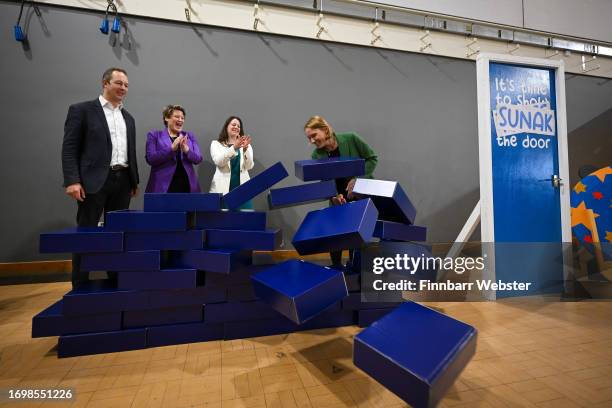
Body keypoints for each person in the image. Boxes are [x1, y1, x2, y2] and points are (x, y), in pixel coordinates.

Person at [62, 67, 139, 288]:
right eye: (119, 83)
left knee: (118, 234)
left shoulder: (128, 118)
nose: (123, 88)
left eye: (126, 85)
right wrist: (72, 180)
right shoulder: (82, 110)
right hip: (93, 182)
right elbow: (69, 148)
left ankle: (115, 281)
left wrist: (133, 181)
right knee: (86, 233)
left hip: (122, 181)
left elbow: (129, 152)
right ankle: (80, 283)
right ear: (105, 83)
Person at [304, 115, 378, 268]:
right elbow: (324, 182)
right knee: (335, 236)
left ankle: (356, 269)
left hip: (359, 196)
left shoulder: (351, 138)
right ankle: (337, 269)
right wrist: (333, 197)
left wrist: (357, 179)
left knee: (357, 237)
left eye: (313, 135)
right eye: (308, 138)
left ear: (325, 130)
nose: (311, 141)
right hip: (338, 199)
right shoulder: (316, 155)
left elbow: (372, 159)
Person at [145, 105, 203, 193]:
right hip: (163, 188)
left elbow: (198, 159)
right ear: (166, 118)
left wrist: (187, 150)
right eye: (176, 116)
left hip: (186, 187)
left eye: (182, 118)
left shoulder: (189, 136)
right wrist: (171, 149)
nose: (180, 120)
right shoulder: (154, 135)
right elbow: (151, 159)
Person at [209, 116, 254, 209]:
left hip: (243, 191)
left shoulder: (246, 145)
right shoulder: (216, 144)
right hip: (223, 190)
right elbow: (219, 162)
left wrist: (245, 150)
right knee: (223, 221)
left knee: (245, 221)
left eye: (238, 126)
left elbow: (249, 166)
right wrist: (234, 148)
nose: (236, 127)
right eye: (233, 124)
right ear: (227, 127)